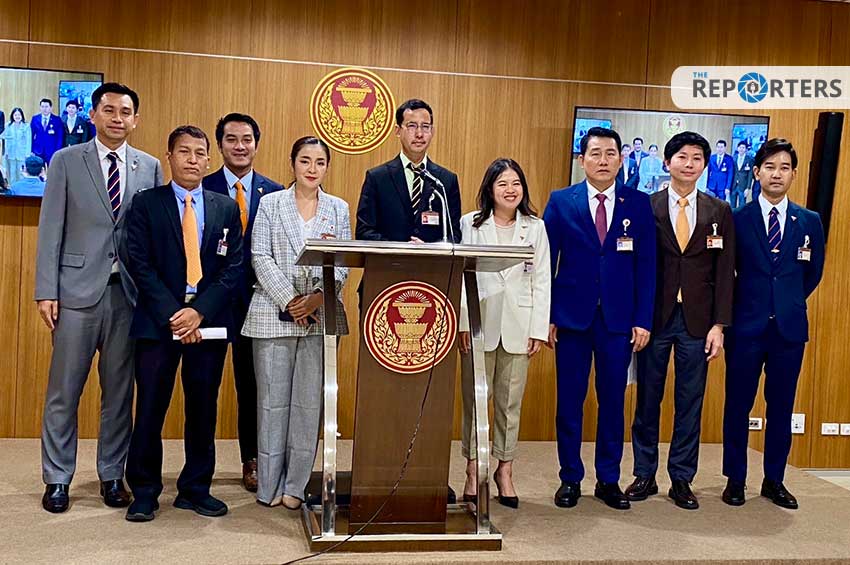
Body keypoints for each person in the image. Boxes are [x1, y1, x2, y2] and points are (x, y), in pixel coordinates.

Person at [34, 83, 163, 514]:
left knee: (119, 393)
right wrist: (46, 291)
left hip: (127, 295)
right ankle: (57, 478)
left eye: (125, 112)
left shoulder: (149, 166)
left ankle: (111, 474)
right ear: (93, 115)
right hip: (74, 293)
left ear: (135, 119)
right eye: (109, 110)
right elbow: (50, 228)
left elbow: (151, 234)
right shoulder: (66, 160)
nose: (117, 118)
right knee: (64, 390)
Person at [123, 126, 243, 522]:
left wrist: (199, 312)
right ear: (170, 157)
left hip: (208, 322)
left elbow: (233, 267)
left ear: (209, 159)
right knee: (150, 407)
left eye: (199, 153)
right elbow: (138, 262)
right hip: (158, 323)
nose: (192, 159)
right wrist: (175, 315)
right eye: (184, 152)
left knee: (203, 408)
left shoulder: (225, 207)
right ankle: (144, 490)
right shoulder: (147, 203)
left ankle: (195, 488)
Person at [544, 127, 656, 510]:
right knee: (569, 402)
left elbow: (647, 267)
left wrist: (643, 319)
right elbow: (545, 264)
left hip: (618, 322)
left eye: (610, 154)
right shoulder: (562, 201)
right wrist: (547, 316)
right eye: (595, 153)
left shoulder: (637, 203)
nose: (603, 160)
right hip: (571, 319)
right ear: (582, 160)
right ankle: (570, 478)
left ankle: (608, 479)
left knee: (612, 402)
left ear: (621, 160)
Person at [626, 132, 735, 510]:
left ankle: (682, 478)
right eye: (682, 157)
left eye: (697, 158)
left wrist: (719, 325)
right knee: (647, 398)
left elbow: (725, 272)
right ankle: (644, 473)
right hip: (654, 318)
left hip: (699, 321)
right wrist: (636, 316)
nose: (689, 164)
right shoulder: (647, 206)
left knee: (690, 401)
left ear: (705, 165)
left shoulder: (719, 210)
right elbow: (636, 265)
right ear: (667, 162)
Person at [242, 136, 350, 509]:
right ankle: (269, 485)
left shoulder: (338, 208)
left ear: (327, 167)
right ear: (293, 163)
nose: (312, 169)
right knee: (272, 403)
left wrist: (317, 298)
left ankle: (295, 486)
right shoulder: (270, 203)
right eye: (305, 161)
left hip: (321, 314)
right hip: (273, 312)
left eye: (319, 162)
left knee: (308, 405)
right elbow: (260, 256)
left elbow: (343, 261)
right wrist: (291, 301)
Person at [722, 138, 825, 510]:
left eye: (784, 167)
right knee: (738, 405)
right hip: (745, 327)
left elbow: (812, 273)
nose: (776, 174)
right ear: (756, 173)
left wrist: (785, 301)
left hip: (788, 330)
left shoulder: (809, 221)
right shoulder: (737, 218)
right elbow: (727, 272)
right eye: (769, 167)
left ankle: (774, 480)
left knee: (781, 407)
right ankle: (735, 479)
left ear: (793, 174)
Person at [457, 158, 550, 509]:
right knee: (475, 400)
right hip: (479, 323)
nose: (510, 190)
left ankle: (504, 470)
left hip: (519, 325)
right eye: (502, 184)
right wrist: (463, 323)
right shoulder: (471, 224)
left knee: (510, 403)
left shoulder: (536, 228)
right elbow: (462, 276)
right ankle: (472, 469)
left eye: (516, 183)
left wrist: (538, 328)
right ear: (490, 189)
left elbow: (542, 279)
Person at [204, 113, 282, 493]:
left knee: (252, 386)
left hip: (259, 302)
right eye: (231, 139)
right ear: (220, 145)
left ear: (256, 144)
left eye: (247, 139)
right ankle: (199, 467)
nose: (240, 146)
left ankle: (252, 459)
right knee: (205, 384)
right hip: (212, 303)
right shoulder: (202, 187)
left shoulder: (275, 192)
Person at [355, 98, 461, 244]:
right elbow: (364, 232)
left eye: (425, 127)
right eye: (412, 126)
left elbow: (454, 235)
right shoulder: (377, 178)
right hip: (389, 258)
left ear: (432, 131)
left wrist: (429, 249)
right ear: (398, 131)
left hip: (431, 259)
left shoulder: (446, 181)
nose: (419, 134)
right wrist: (400, 249)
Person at [1, 108, 31, 185]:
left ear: (22, 116)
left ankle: (21, 189)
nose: (17, 117)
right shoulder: (8, 125)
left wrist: (27, 155)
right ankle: (12, 188)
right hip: (11, 154)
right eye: (15, 115)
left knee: (21, 173)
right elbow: (2, 136)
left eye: (19, 115)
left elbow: (28, 141)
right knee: (12, 173)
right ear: (12, 116)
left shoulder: (26, 126)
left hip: (22, 154)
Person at [31, 98, 64, 165]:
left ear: (51, 108)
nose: (44, 109)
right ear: (40, 108)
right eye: (42, 107)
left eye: (46, 107)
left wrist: (57, 151)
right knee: (38, 169)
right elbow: (31, 135)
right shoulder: (35, 119)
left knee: (51, 169)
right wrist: (31, 149)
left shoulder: (57, 120)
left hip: (52, 151)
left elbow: (60, 137)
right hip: (37, 151)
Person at [731, 141, 754, 209]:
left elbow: (750, 174)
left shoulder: (749, 159)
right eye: (740, 147)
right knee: (732, 206)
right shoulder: (733, 158)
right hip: (733, 185)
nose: (741, 149)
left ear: (746, 149)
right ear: (737, 148)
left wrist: (748, 188)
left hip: (743, 186)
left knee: (742, 206)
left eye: (743, 148)